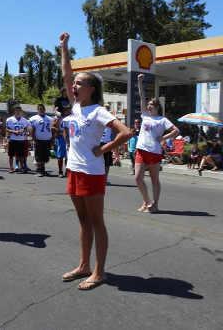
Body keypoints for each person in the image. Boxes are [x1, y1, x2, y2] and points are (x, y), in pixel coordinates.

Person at [59, 32, 131, 290]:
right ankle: (84, 265)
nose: (74, 86)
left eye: (80, 84)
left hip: (92, 172)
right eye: (74, 84)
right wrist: (64, 47)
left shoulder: (99, 111)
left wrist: (105, 148)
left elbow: (125, 132)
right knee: (82, 221)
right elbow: (66, 73)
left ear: (91, 88)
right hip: (73, 169)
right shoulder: (77, 107)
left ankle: (99, 272)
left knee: (96, 221)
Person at [135, 73, 179, 213]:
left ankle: (155, 205)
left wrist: (164, 137)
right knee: (138, 178)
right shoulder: (145, 116)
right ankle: (148, 201)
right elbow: (141, 97)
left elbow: (176, 130)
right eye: (148, 105)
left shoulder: (162, 119)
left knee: (154, 180)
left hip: (154, 152)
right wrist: (140, 82)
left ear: (157, 107)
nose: (148, 107)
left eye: (151, 105)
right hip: (141, 150)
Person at [29, 104, 54, 177]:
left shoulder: (49, 119)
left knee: (45, 156)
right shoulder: (33, 118)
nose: (41, 110)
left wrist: (52, 139)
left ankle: (42, 170)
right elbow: (32, 129)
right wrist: (33, 138)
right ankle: (39, 170)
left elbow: (51, 129)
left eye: (42, 109)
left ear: (45, 110)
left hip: (47, 140)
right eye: (40, 109)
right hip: (39, 140)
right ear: (37, 110)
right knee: (38, 156)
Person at [5, 106, 31, 173]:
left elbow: (26, 128)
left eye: (19, 111)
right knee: (11, 155)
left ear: (21, 111)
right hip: (13, 139)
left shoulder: (24, 120)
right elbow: (7, 129)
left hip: (21, 139)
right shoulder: (9, 119)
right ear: (14, 111)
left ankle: (22, 167)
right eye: (16, 110)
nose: (18, 112)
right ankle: (11, 168)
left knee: (21, 155)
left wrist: (23, 130)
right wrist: (14, 132)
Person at [52, 108, 70, 178]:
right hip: (60, 139)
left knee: (68, 156)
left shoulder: (71, 118)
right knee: (60, 156)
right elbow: (52, 127)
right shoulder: (57, 118)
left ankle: (67, 171)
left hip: (69, 139)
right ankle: (60, 171)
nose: (67, 111)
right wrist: (59, 131)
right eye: (65, 110)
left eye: (68, 109)